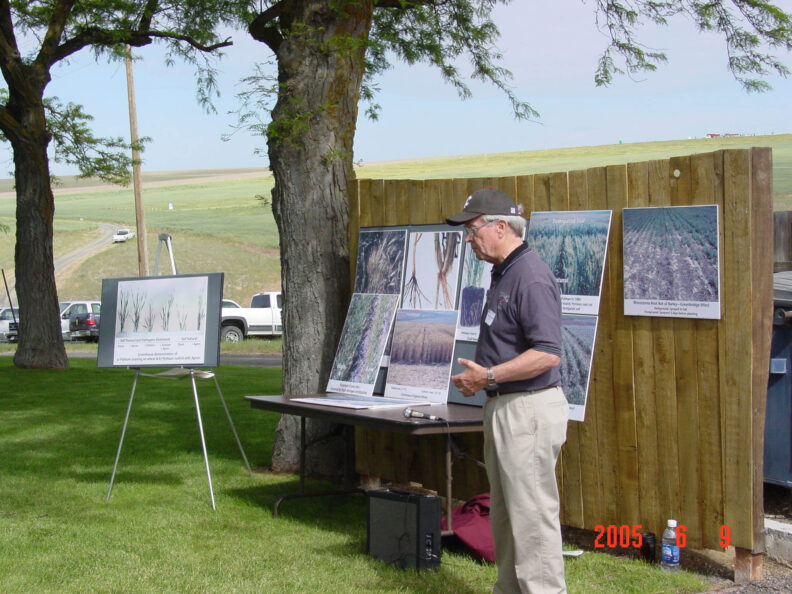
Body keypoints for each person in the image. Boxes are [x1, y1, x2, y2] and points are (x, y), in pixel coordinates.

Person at [447, 188, 569, 594]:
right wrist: (487, 382)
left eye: (473, 228)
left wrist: (489, 376)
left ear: (501, 227)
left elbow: (547, 354)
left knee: (532, 518)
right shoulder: (505, 272)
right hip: (506, 408)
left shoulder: (531, 276)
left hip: (528, 410)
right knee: (507, 515)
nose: (468, 238)